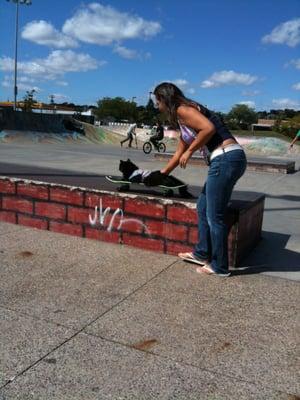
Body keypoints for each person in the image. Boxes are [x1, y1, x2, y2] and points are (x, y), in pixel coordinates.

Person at [153, 82, 247, 277]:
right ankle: (202, 253)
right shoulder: (182, 119)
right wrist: (162, 174)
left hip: (226, 158)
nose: (156, 105)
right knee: (203, 207)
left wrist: (190, 151)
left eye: (157, 100)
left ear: (163, 98)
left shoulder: (183, 109)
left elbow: (208, 128)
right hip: (226, 159)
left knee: (215, 216)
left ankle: (220, 267)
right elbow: (179, 152)